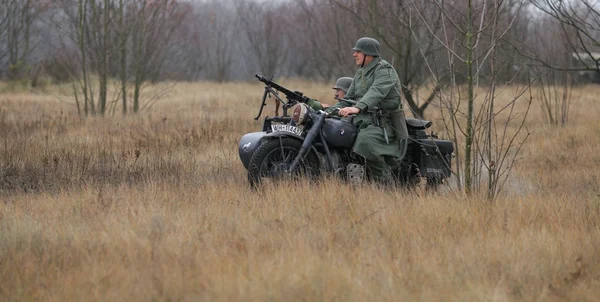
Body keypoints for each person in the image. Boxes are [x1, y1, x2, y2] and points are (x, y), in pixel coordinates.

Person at [333, 37, 409, 185]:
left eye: (358, 52)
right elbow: (347, 98)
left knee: (365, 143)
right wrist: (321, 108)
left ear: (369, 54)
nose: (354, 55)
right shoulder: (361, 72)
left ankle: (386, 184)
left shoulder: (385, 70)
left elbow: (376, 92)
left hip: (383, 124)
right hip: (363, 120)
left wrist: (357, 107)